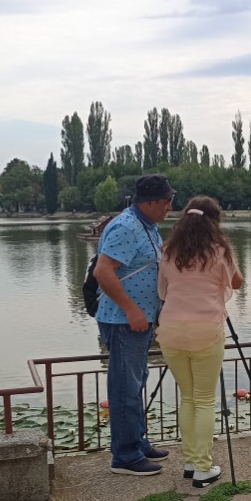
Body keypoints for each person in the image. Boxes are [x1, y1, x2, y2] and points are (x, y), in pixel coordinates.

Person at [156, 196, 243, 488]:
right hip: (206, 330)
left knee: (188, 397)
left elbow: (162, 291)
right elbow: (236, 282)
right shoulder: (219, 250)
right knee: (205, 399)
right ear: (214, 222)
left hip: (170, 331)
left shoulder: (169, 251)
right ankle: (204, 469)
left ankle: (191, 462)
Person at [93, 174, 176, 475]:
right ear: (150, 202)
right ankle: (125, 456)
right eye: (167, 201)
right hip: (123, 321)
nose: (170, 207)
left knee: (136, 382)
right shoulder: (127, 226)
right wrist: (131, 310)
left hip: (139, 321)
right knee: (124, 387)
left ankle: (138, 442)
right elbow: (103, 271)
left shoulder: (147, 226)